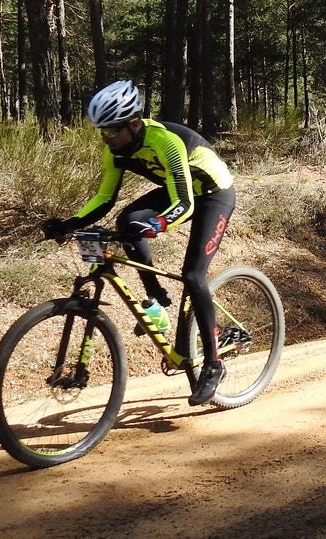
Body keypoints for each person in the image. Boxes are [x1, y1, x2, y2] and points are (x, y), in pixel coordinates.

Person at [41, 80, 236, 406]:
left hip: (213, 194)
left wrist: (158, 225)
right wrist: (69, 223)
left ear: (133, 124)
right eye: (101, 132)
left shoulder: (165, 142)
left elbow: (184, 203)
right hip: (181, 191)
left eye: (111, 131)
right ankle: (156, 298)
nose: (106, 138)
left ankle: (213, 364)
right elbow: (104, 199)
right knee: (126, 222)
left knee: (193, 276)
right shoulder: (115, 150)